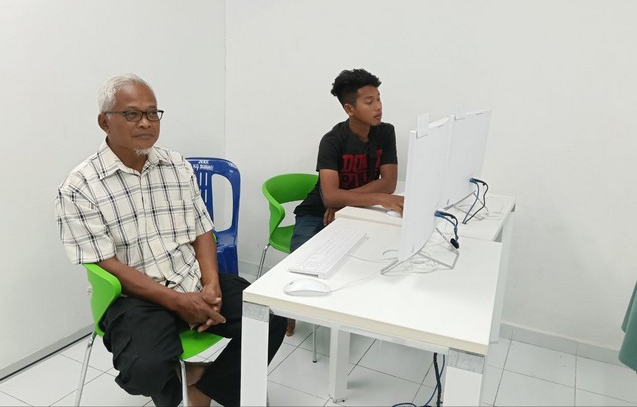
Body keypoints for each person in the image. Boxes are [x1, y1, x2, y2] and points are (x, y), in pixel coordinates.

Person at [55, 74, 286, 407]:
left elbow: (202, 230)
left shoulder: (177, 165)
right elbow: (106, 263)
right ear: (104, 122)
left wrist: (211, 285)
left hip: (190, 278)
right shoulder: (80, 187)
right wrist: (177, 302)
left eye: (153, 113)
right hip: (135, 297)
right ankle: (187, 377)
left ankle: (205, 387)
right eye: (132, 114)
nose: (146, 122)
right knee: (144, 370)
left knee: (271, 317)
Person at [287, 68, 404, 334]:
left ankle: (347, 314)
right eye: (369, 101)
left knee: (360, 262)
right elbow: (329, 195)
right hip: (318, 211)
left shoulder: (385, 133)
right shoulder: (332, 140)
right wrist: (377, 197)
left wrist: (346, 201)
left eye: (378, 99)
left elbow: (389, 182)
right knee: (301, 261)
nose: (378, 107)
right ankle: (288, 313)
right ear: (349, 109)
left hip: (356, 211)